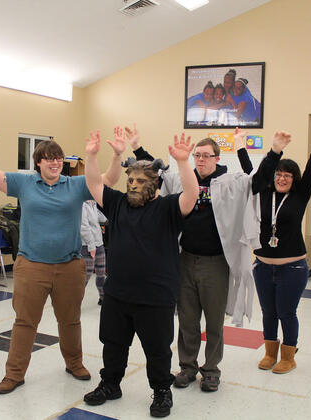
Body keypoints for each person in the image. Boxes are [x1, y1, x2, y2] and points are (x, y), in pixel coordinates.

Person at [0, 117, 125, 395]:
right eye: (48, 159)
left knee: (70, 320)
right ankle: (14, 374)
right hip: (31, 266)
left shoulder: (76, 185)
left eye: (58, 159)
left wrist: (117, 154)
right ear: (38, 162)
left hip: (69, 266)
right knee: (25, 322)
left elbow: (108, 180)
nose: (54, 163)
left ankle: (74, 363)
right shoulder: (24, 183)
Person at [161, 131, 289, 393]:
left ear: (217, 158)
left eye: (205, 156)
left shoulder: (231, 181)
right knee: (187, 319)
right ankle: (187, 366)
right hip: (186, 259)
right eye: (197, 156)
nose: (200, 160)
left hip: (216, 263)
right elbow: (158, 176)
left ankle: (211, 370)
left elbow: (261, 179)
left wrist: (275, 151)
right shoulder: (184, 179)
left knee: (214, 320)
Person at [83, 131, 199, 418]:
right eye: (130, 180)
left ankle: (161, 391)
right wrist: (93, 155)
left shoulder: (168, 207)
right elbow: (94, 183)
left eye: (140, 181)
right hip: (118, 293)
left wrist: (184, 162)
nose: (133, 185)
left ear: (155, 184)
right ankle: (111, 384)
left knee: (158, 350)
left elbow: (192, 195)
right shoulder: (118, 203)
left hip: (155, 295)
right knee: (113, 343)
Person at [254, 121, 311, 374]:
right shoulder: (263, 195)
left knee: (287, 312)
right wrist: (240, 146)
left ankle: (288, 356)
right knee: (268, 312)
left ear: (294, 180)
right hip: (263, 267)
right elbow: (252, 172)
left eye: (287, 175)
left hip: (293, 267)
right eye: (278, 174)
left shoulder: (300, 196)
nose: (282, 178)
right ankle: (270, 353)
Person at [81, 200, 107, 304]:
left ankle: (103, 298)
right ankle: (73, 302)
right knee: (85, 277)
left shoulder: (93, 204)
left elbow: (103, 219)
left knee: (101, 274)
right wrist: (91, 247)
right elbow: (83, 228)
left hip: (99, 244)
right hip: (87, 246)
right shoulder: (82, 205)